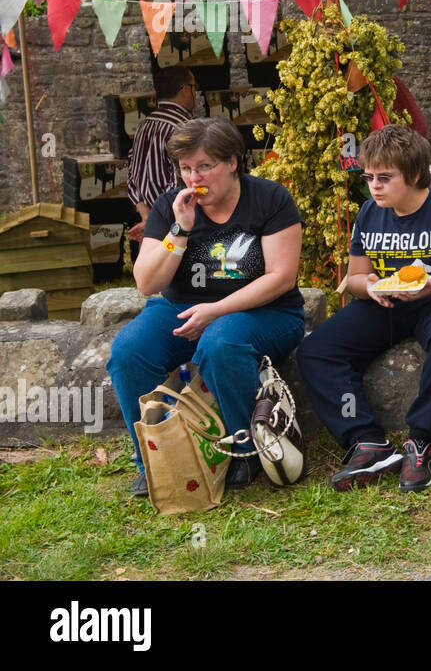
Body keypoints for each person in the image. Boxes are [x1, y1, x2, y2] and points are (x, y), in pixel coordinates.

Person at [296, 125, 431, 494]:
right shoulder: (369, 215)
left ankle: (420, 440)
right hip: (391, 302)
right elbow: (355, 278)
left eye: (385, 178)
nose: (374, 186)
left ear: (416, 174)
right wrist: (371, 286)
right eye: (369, 176)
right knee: (317, 350)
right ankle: (366, 441)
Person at [107, 118, 305, 498]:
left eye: (204, 166)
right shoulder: (170, 206)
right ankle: (153, 457)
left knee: (219, 343)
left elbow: (281, 276)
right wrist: (179, 231)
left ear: (232, 162)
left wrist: (217, 311)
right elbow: (147, 283)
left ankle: (244, 450)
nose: (193, 177)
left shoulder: (269, 199)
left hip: (267, 311)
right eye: (185, 168)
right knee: (129, 351)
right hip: (183, 307)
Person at [127, 67, 198, 241]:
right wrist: (157, 220)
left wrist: (147, 216)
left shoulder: (144, 124)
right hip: (176, 224)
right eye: (194, 87)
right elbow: (183, 182)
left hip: (153, 221)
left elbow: (132, 174)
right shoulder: (185, 128)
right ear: (185, 89)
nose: (196, 92)